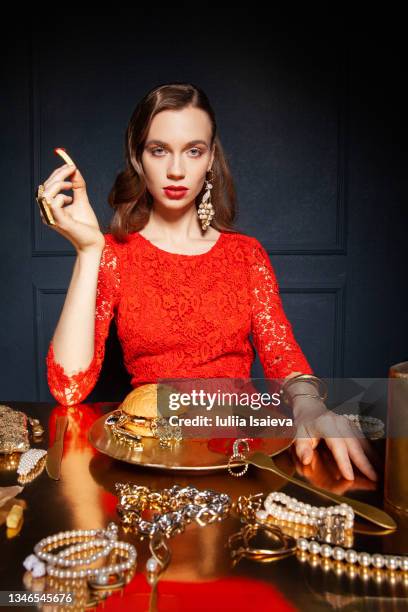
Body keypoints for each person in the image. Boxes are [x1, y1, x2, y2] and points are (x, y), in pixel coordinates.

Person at [40, 82, 377, 482]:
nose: (177, 169)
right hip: (153, 454)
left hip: (243, 451)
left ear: (210, 159)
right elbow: (68, 389)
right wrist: (88, 250)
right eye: (159, 149)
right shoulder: (115, 253)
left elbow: (281, 354)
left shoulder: (246, 254)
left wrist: (309, 406)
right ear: (138, 157)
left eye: (193, 151)